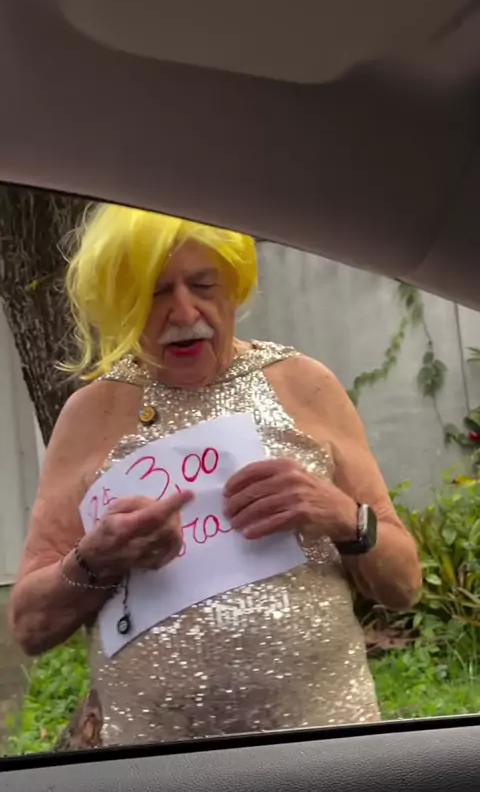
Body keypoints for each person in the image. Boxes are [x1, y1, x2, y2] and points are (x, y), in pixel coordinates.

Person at [9, 204, 422, 748]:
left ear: (234, 286)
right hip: (159, 769)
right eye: (156, 293)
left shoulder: (304, 384)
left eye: (203, 284)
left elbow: (404, 584)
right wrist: (97, 557)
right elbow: (30, 626)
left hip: (328, 753)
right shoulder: (90, 415)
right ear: (122, 302)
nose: (185, 311)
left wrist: (343, 516)